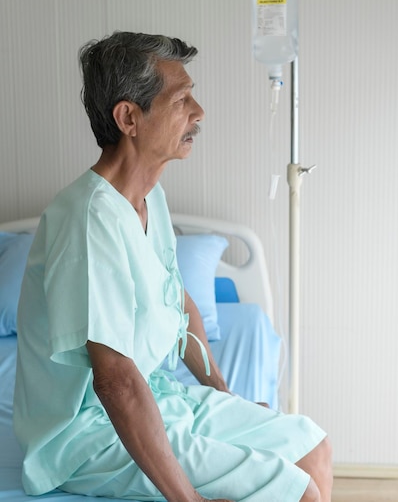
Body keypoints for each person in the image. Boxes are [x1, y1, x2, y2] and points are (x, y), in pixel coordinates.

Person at [14, 31, 332, 502]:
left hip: (158, 395)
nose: (198, 113)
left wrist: (222, 394)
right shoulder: (85, 219)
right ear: (129, 118)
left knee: (313, 448)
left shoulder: (149, 197)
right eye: (181, 98)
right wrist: (189, 500)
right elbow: (115, 380)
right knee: (296, 489)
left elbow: (177, 302)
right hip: (86, 434)